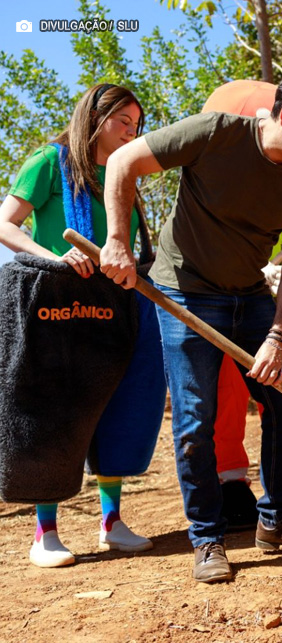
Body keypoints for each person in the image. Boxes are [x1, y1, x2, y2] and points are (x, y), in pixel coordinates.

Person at [99, 68, 282, 582]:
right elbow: (123, 162)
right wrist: (117, 242)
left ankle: (279, 520)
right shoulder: (214, 133)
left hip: (250, 296)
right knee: (196, 422)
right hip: (185, 291)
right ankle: (207, 538)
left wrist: (278, 337)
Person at [0, 83, 166, 567]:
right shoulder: (48, 162)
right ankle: (44, 532)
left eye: (136, 125)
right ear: (94, 117)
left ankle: (112, 523)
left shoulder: (124, 174)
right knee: (53, 414)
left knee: (116, 409)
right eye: (123, 122)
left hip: (115, 307)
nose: (130, 133)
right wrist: (54, 259)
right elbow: (6, 223)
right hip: (54, 308)